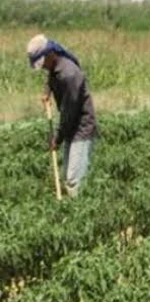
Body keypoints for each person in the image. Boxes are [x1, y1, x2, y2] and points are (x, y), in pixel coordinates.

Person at [27, 34, 98, 197]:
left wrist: (57, 139)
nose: (43, 67)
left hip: (81, 127)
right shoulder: (55, 65)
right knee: (69, 175)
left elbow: (68, 113)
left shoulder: (69, 74)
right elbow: (51, 76)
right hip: (70, 126)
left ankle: (79, 215)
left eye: (42, 62)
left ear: (49, 54)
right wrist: (47, 92)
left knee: (74, 180)